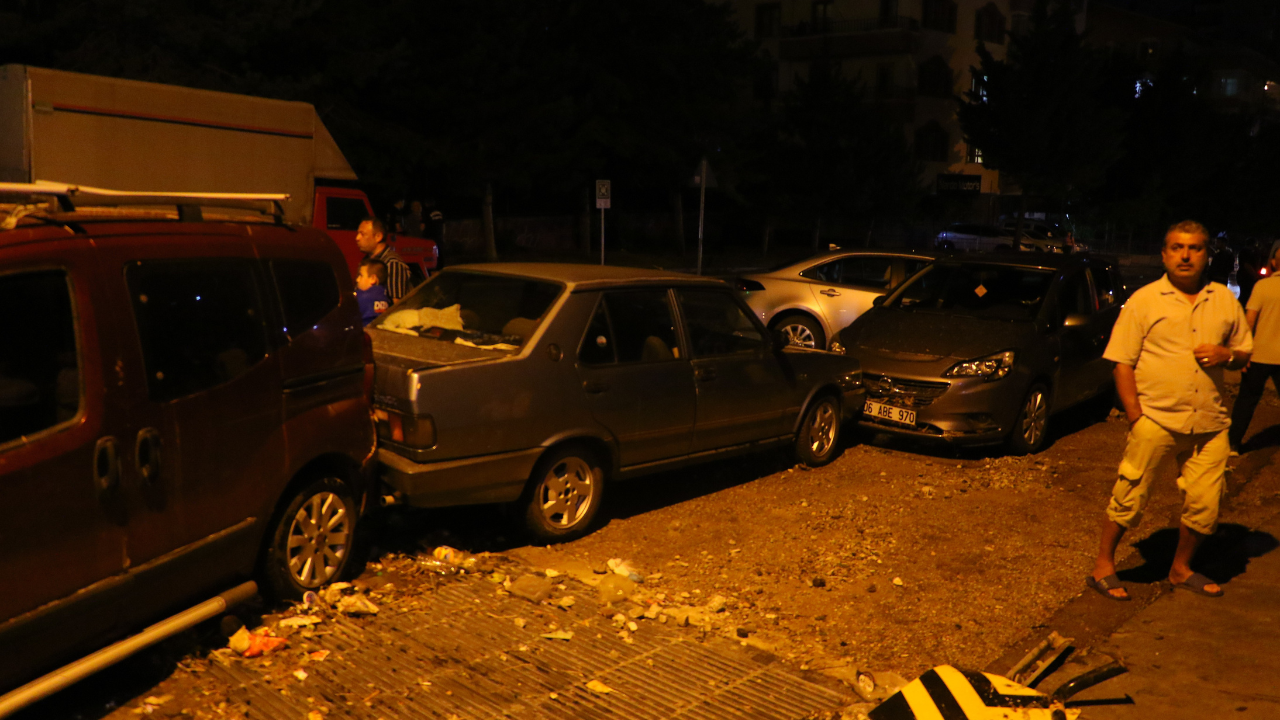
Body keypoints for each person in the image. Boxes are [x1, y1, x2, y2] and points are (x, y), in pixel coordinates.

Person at [1087, 220, 1253, 601]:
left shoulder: (1224, 300)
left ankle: (1180, 569)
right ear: (1164, 254)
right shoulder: (1145, 301)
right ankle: (1103, 566)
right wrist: (1135, 416)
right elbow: (1121, 362)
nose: (1185, 255)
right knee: (1129, 497)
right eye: (1177, 247)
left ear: (1206, 255)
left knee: (1205, 506)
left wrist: (1228, 355)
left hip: (1209, 424)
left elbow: (1244, 349)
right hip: (1157, 420)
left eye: (1194, 248)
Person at [1228, 240, 1280, 454]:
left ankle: (1233, 443)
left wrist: (1242, 351)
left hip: (1259, 355)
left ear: (1274, 262)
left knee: (1246, 401)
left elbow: (1249, 322)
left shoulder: (1262, 286)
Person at [355, 217, 412, 302]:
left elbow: (397, 304)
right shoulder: (367, 260)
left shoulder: (392, 264)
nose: (357, 238)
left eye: (362, 234)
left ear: (378, 236)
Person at [355, 259, 391, 326]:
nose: (357, 280)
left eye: (361, 275)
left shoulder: (360, 298)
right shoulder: (385, 298)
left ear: (373, 279)